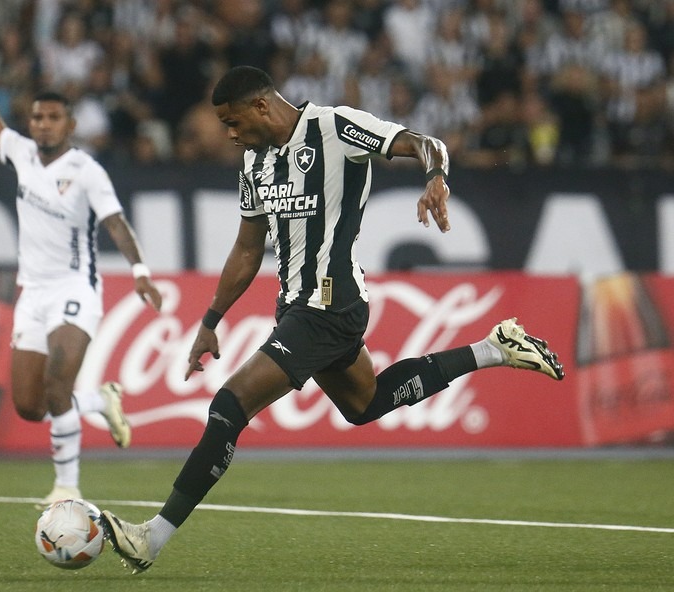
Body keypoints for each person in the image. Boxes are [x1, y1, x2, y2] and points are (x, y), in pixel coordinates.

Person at [99, 65, 564, 574]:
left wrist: (435, 177)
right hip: (297, 307)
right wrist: (211, 318)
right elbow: (248, 246)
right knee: (366, 404)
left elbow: (426, 142)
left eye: (231, 121)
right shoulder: (254, 162)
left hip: (330, 304)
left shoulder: (336, 128)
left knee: (229, 406)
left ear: (260, 106)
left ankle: (153, 538)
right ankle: (494, 348)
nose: (228, 134)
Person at [0, 26, 163, 509]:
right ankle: (99, 403)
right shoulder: (22, 155)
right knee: (30, 406)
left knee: (57, 385)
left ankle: (68, 487)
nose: (42, 124)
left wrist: (141, 270)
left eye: (52, 117)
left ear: (70, 125)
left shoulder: (87, 171)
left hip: (75, 289)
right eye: (37, 117)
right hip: (33, 294)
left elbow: (117, 224)